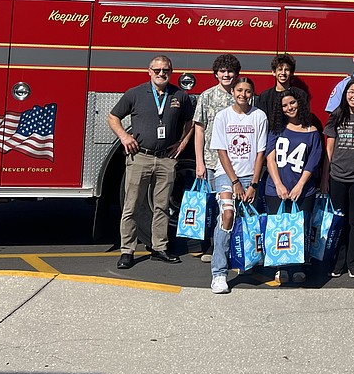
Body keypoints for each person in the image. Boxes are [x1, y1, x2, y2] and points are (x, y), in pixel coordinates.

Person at [108, 55, 194, 269]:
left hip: (166, 159)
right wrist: (124, 137)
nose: (161, 74)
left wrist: (182, 144)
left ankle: (159, 248)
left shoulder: (179, 95)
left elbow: (191, 121)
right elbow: (113, 117)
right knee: (132, 206)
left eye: (165, 70)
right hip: (140, 158)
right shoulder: (135, 94)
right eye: (157, 70)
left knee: (162, 207)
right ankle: (127, 251)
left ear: (171, 72)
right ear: (149, 72)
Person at [207, 76, 267, 293]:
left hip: (250, 176)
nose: (243, 94)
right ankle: (219, 274)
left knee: (247, 221)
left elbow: (261, 153)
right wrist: (234, 182)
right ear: (232, 92)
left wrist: (253, 183)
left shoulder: (259, 116)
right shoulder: (223, 116)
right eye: (239, 90)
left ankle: (246, 261)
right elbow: (221, 151)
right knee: (228, 215)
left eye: (248, 91)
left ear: (253, 94)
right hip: (226, 174)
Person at [264, 89, 324, 285]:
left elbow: (313, 161)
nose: (289, 108)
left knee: (300, 227)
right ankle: (281, 266)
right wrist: (279, 184)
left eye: (292, 103)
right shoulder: (276, 130)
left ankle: (298, 265)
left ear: (299, 103)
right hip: (276, 189)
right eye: (284, 105)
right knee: (279, 227)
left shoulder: (312, 132)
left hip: (303, 190)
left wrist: (300, 185)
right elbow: (270, 158)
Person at [321, 78, 354, 278]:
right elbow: (329, 148)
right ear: (345, 94)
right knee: (339, 221)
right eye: (351, 92)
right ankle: (338, 262)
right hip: (337, 175)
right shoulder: (337, 116)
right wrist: (325, 178)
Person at [192, 53, 241, 261]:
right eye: (222, 71)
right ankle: (213, 247)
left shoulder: (243, 95)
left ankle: (234, 248)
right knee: (215, 206)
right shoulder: (207, 96)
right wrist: (199, 162)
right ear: (216, 74)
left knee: (234, 206)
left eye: (230, 71)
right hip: (213, 161)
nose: (226, 74)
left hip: (238, 161)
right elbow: (199, 130)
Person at [255, 53, 308, 123]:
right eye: (280, 69)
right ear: (274, 72)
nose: (283, 73)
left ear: (292, 73)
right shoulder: (264, 97)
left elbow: (305, 119)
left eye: (287, 69)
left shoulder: (301, 95)